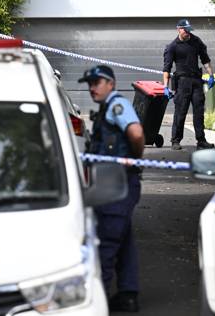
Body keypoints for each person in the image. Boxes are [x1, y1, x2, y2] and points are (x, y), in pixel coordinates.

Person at [79, 65, 145, 313]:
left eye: (97, 82)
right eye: (90, 84)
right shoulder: (108, 107)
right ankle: (128, 294)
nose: (92, 87)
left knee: (106, 241)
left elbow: (136, 133)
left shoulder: (117, 105)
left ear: (111, 83)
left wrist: (135, 159)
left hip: (118, 183)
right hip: (114, 182)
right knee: (124, 239)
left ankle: (100, 300)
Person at [163, 19, 215, 150]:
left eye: (189, 30)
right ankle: (175, 140)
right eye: (185, 30)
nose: (188, 32)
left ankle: (201, 140)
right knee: (180, 111)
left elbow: (205, 60)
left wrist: (211, 75)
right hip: (182, 82)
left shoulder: (196, 41)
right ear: (179, 29)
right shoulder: (172, 47)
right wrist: (165, 87)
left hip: (196, 81)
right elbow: (167, 68)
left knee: (199, 111)